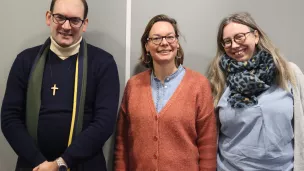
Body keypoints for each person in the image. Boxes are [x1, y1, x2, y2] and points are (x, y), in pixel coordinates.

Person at [1, 0, 120, 170]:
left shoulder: (103, 63)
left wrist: (62, 163)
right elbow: (9, 118)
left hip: (85, 165)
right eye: (60, 17)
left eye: (74, 20)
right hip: (33, 166)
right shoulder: (25, 61)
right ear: (49, 17)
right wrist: (39, 162)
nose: (66, 26)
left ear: (84, 24)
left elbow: (104, 123)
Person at [114, 14, 217, 171]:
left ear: (177, 42)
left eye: (170, 37)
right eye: (156, 38)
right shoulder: (133, 86)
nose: (164, 43)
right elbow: (122, 142)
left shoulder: (198, 85)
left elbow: (207, 144)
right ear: (147, 46)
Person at [207, 12, 304, 170]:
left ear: (256, 36)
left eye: (239, 37)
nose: (234, 45)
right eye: (227, 41)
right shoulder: (219, 80)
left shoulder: (288, 73)